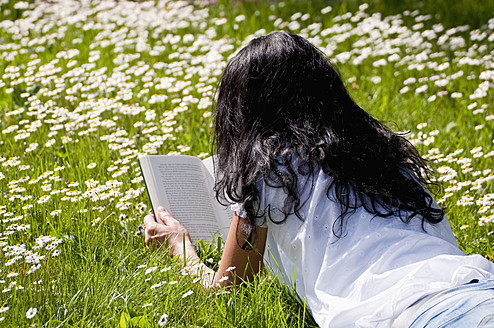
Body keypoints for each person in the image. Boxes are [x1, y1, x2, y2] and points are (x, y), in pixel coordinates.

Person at [143, 32, 494, 327]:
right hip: (474, 288)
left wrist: (179, 245)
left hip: (406, 317)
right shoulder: (383, 155)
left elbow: (227, 290)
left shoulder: (268, 168)